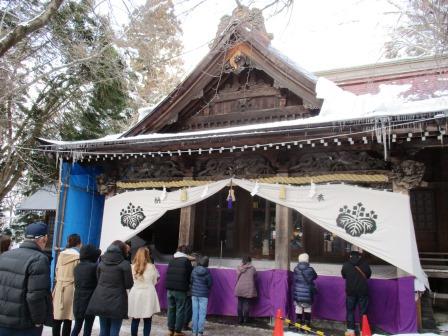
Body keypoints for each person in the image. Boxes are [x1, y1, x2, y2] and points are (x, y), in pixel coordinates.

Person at [0, 221, 53, 336]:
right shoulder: (39, 259)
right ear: (42, 239)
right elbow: (35, 296)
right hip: (24, 325)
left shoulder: (4, 256)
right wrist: (39, 321)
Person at [86, 240, 133, 336]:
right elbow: (128, 284)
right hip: (117, 302)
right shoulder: (125, 264)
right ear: (122, 250)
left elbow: (98, 279)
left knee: (103, 331)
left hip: (101, 299)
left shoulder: (101, 262)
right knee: (114, 331)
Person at [53, 234, 82, 336]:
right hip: (71, 287)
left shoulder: (61, 254)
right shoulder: (78, 257)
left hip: (59, 286)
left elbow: (56, 270)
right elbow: (79, 274)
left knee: (57, 316)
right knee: (68, 318)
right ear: (79, 243)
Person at [128, 247, 161, 336]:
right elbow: (154, 281)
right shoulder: (152, 267)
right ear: (147, 255)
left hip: (136, 293)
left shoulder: (132, 266)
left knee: (135, 318)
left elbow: (129, 281)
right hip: (148, 293)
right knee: (148, 319)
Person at [71, 244, 101, 336]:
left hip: (78, 300)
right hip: (90, 301)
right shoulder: (94, 267)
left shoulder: (77, 267)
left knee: (77, 326)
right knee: (88, 328)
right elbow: (98, 281)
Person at [341, 247, 372, 336]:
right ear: (359, 256)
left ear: (350, 256)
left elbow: (343, 275)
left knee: (350, 311)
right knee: (363, 312)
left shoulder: (346, 264)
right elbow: (369, 275)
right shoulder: (365, 264)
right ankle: (363, 331)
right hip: (363, 291)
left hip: (351, 292)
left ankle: (351, 331)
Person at [165, 245, 194, 336]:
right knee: (180, 310)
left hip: (170, 288)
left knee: (171, 309)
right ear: (186, 253)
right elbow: (190, 275)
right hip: (180, 289)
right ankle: (178, 331)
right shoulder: (186, 261)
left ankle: (170, 330)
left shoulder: (172, 259)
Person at [292, 253, 318, 328]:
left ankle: (298, 324)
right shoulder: (310, 269)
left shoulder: (296, 269)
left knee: (298, 308)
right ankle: (307, 325)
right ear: (307, 260)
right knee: (307, 308)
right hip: (307, 294)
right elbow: (315, 276)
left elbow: (295, 278)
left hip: (298, 293)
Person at [191, 256, 212, 336]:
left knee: (195, 313)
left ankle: (194, 331)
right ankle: (200, 332)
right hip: (203, 295)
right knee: (202, 314)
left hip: (194, 295)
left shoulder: (194, 270)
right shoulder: (207, 272)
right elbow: (210, 283)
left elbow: (191, 281)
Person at [234, 256, 257, 324]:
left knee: (240, 303)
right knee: (246, 304)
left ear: (242, 261)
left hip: (239, 287)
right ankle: (245, 319)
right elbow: (255, 275)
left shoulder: (239, 268)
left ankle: (240, 319)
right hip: (248, 288)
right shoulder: (252, 268)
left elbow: (237, 275)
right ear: (250, 261)